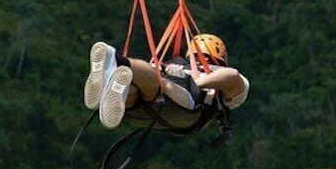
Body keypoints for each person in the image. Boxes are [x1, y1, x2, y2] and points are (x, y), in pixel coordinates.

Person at [83, 34, 249, 129]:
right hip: (149, 110)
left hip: (184, 107)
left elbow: (233, 77)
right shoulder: (178, 65)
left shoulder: (220, 81)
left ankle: (116, 61)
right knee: (137, 87)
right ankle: (114, 87)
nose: (200, 62)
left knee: (158, 82)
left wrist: (195, 82)